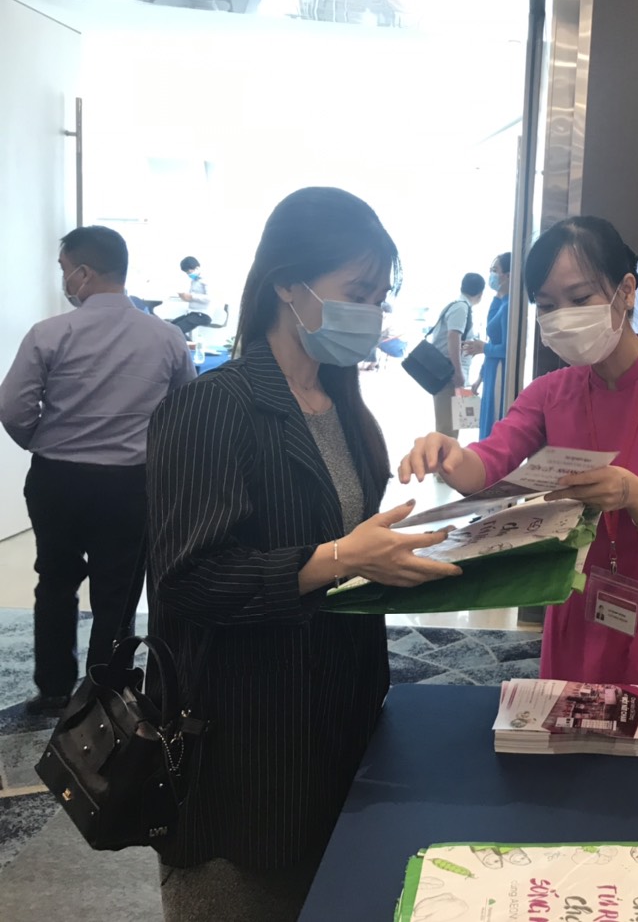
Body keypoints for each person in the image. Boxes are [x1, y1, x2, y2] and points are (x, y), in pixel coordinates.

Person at [146, 188, 459, 921]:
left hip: (341, 719)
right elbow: (189, 580)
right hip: (247, 744)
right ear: (288, 284)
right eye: (357, 292)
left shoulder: (342, 405)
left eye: (380, 298)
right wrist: (341, 557)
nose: (372, 314)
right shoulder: (214, 405)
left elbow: (342, 548)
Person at [400, 217, 638, 690]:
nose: (562, 317)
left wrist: (635, 495)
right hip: (573, 605)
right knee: (563, 728)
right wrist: (448, 453)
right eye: (547, 306)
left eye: (580, 298)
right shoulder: (550, 393)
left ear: (626, 290)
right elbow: (487, 466)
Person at [0, 226, 193, 716]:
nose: (65, 279)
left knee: (55, 580)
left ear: (83, 273)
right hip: (130, 485)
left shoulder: (49, 334)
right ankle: (105, 693)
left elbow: (12, 407)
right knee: (117, 591)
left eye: (65, 270)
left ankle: (53, 689)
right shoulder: (167, 337)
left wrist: (44, 443)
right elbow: (183, 413)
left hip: (57, 480)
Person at [428, 272, 485, 437]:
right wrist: (458, 372)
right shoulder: (461, 307)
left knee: (455, 424)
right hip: (449, 373)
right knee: (447, 428)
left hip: (451, 371)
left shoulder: (460, 305)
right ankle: (444, 454)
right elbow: (453, 336)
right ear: (480, 293)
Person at [464, 251, 511, 440]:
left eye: (495, 270)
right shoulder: (501, 303)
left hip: (500, 369)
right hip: (491, 369)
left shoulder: (509, 307)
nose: (491, 274)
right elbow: (492, 341)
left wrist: (483, 348)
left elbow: (507, 349)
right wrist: (480, 377)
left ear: (508, 275)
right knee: (486, 417)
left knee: (494, 419)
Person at [167, 255, 219, 338]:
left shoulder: (207, 279)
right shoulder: (195, 280)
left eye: (189, 271)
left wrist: (191, 296)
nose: (188, 274)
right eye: (186, 272)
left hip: (203, 315)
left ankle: (188, 345)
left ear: (197, 267)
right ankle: (188, 344)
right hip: (193, 313)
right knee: (169, 327)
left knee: (176, 331)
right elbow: (195, 298)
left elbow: (209, 298)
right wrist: (185, 297)